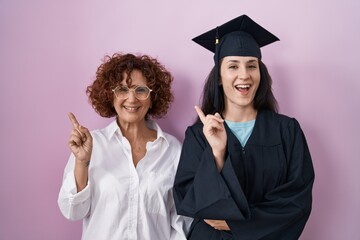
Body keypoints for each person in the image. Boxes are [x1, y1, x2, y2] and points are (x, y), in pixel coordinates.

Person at [173, 15, 315, 239]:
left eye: (252, 65)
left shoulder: (287, 131)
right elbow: (192, 201)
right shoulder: (200, 135)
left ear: (261, 73)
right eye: (232, 66)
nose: (244, 74)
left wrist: (236, 223)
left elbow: (297, 202)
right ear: (219, 77)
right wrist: (218, 154)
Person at [58, 53, 191, 240]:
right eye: (122, 89)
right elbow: (72, 211)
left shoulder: (173, 150)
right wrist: (82, 162)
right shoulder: (91, 145)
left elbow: (181, 221)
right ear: (110, 95)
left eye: (141, 90)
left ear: (153, 96)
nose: (131, 99)